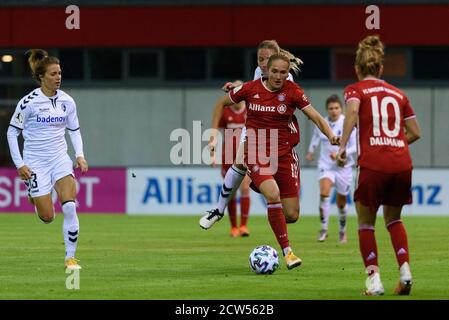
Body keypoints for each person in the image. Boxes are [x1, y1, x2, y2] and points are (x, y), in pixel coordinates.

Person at [203, 53, 339, 269]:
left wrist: (331, 135)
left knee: (292, 215)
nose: (277, 76)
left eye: (282, 72)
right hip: (256, 151)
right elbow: (222, 101)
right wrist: (212, 133)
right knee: (273, 194)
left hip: (284, 155)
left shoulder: (293, 92)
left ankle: (254, 181)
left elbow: (316, 116)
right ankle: (288, 252)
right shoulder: (251, 88)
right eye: (274, 71)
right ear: (267, 71)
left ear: (288, 74)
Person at [336, 35, 421, 295]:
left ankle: (374, 281)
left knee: (365, 223)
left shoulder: (355, 89)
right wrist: (393, 142)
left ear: (357, 68)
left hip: (374, 163)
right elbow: (415, 132)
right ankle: (405, 271)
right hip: (402, 163)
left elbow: (351, 113)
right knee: (394, 219)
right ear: (381, 68)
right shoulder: (399, 93)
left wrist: (342, 146)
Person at [200, 40, 302, 230]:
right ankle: (218, 209)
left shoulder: (286, 80)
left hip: (274, 133)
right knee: (239, 162)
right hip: (256, 127)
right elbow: (258, 88)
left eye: (267, 59)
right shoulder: (259, 71)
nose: (263, 63)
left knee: (290, 214)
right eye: (260, 59)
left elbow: (277, 96)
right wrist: (238, 90)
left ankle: (259, 193)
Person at [7, 49, 88, 270]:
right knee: (47, 217)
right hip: (35, 162)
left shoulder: (67, 101)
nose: (58, 77)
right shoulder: (28, 102)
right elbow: (12, 133)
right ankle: (35, 196)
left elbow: (74, 130)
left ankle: (70, 258)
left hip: (60, 158)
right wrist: (20, 164)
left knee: (70, 206)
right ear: (42, 77)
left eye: (60, 73)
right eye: (53, 74)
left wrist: (79, 155)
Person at [306, 94, 356, 243]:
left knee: (341, 202)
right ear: (327, 110)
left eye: (336, 108)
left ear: (341, 109)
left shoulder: (347, 123)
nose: (334, 111)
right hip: (325, 164)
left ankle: (342, 230)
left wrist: (342, 152)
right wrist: (310, 151)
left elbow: (355, 145)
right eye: (331, 108)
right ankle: (324, 229)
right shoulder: (323, 123)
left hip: (343, 166)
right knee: (324, 193)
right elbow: (316, 137)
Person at [212, 101, 252, 237]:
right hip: (228, 156)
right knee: (231, 192)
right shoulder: (226, 112)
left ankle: (244, 226)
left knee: (245, 188)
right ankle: (234, 227)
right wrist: (213, 153)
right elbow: (216, 131)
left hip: (246, 155)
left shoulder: (250, 110)